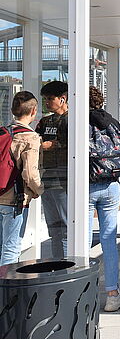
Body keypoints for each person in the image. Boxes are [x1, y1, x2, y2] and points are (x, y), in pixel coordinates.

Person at [88, 86, 120, 312]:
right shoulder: (112, 121)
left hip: (85, 187)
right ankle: (113, 295)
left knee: (82, 242)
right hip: (112, 186)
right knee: (108, 240)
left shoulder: (78, 121)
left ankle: (83, 292)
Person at [0, 91, 44, 264]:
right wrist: (38, 190)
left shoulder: (2, 132)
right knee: (11, 249)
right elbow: (30, 173)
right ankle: (6, 291)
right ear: (33, 111)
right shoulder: (30, 137)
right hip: (15, 200)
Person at [36, 80, 69, 258]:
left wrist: (50, 145)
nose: (47, 103)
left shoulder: (73, 119)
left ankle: (67, 266)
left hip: (64, 181)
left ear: (62, 99)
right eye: (45, 99)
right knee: (54, 228)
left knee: (65, 227)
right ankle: (58, 264)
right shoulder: (45, 121)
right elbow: (35, 142)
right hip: (46, 180)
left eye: (50, 99)